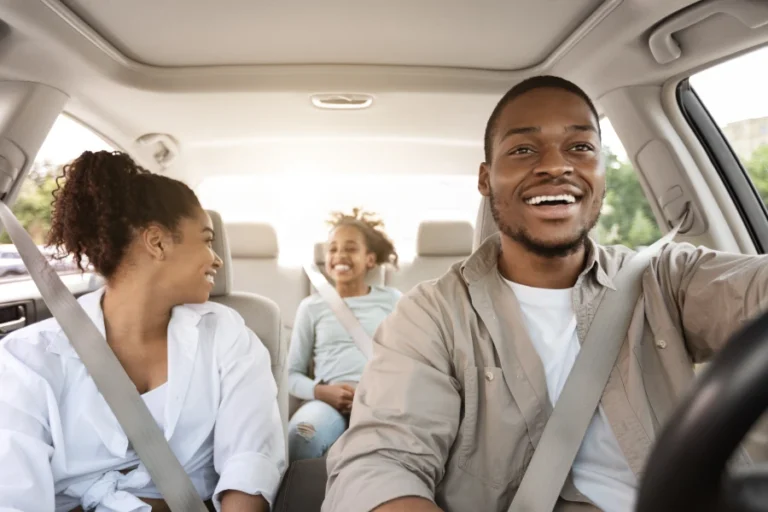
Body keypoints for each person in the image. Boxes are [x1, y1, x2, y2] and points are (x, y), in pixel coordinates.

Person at [322, 75, 768, 512]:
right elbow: (382, 462)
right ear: (485, 179)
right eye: (523, 149)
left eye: (580, 147)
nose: (556, 165)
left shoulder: (666, 278)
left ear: (601, 171)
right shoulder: (431, 315)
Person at [0, 151, 286, 512]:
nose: (216, 258)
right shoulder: (26, 357)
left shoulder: (225, 335)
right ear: (158, 242)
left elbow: (250, 463)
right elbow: (13, 497)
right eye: (206, 240)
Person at [286, 208, 401, 461]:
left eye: (350, 248)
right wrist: (321, 392)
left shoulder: (393, 301)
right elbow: (290, 374)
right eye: (333, 249)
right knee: (301, 435)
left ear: (370, 259)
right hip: (327, 402)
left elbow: (410, 361)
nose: (340, 255)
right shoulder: (311, 307)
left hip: (381, 401)